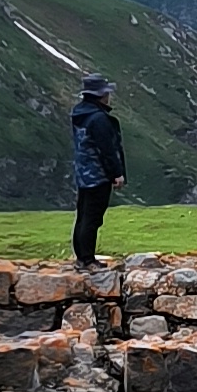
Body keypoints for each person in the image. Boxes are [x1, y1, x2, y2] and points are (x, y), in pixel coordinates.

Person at [68, 73, 125, 267]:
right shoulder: (99, 119)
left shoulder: (79, 114)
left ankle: (80, 257)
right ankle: (88, 259)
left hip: (83, 173)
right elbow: (107, 150)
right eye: (106, 93)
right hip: (98, 174)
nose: (109, 96)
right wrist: (116, 173)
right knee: (92, 217)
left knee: (83, 214)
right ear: (100, 95)